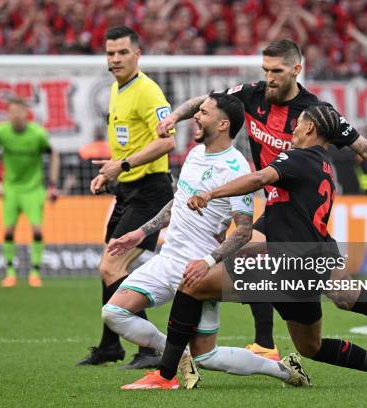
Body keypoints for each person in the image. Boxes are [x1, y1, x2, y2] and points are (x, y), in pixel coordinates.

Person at [156, 40, 367, 373]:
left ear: (296, 70)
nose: (269, 78)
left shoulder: (315, 113)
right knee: (323, 297)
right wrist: (175, 116)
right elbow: (207, 103)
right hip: (279, 213)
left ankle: (254, 345)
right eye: (265, 70)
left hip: (296, 216)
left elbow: (366, 147)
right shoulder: (252, 94)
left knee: (327, 290)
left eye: (277, 71)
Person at [124, 104, 367, 389]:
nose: (292, 129)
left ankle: (166, 375)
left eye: (297, 124)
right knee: (311, 347)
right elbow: (277, 220)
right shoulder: (323, 166)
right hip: (308, 265)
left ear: (309, 128)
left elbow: (258, 179)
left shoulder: (298, 158)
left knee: (192, 282)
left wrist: (211, 195)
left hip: (285, 268)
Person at [103, 93, 311, 390]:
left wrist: (209, 262)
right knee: (113, 313)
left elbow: (243, 230)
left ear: (223, 124)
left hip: (199, 268)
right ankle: (175, 355)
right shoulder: (195, 154)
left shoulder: (235, 169)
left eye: (203, 112)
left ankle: (284, 370)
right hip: (167, 259)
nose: (196, 116)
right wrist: (141, 232)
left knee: (208, 356)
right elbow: (178, 202)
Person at [77, 26, 176, 369]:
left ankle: (151, 346)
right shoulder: (119, 90)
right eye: (110, 53)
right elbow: (128, 145)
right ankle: (110, 346)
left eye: (122, 52)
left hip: (152, 192)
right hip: (128, 191)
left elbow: (167, 142)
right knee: (111, 268)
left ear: (137, 55)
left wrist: (124, 165)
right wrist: (108, 174)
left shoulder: (148, 91)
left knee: (111, 265)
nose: (115, 59)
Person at [0, 97, 59, 288]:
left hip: (33, 188)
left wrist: (52, 185)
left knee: (36, 229)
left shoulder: (37, 134)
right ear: (8, 114)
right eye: (11, 112)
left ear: (25, 114)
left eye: (18, 112)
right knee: (8, 230)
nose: (15, 116)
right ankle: (10, 272)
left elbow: (53, 154)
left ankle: (35, 272)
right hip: (10, 188)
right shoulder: (0, 133)